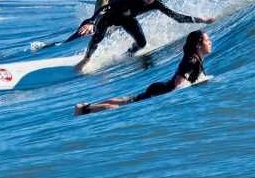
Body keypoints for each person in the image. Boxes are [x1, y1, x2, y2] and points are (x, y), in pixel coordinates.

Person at [74, 0, 214, 72]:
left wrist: (201, 20)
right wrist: (92, 21)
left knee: (142, 43)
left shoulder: (156, 3)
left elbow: (177, 17)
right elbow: (105, 7)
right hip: (108, 17)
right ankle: (87, 58)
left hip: (127, 19)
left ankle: (126, 55)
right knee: (98, 38)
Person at [75, 30, 212, 116]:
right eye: (207, 40)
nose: (210, 42)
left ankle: (85, 107)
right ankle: (84, 110)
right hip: (161, 91)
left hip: (160, 88)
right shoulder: (192, 60)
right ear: (198, 45)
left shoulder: (193, 58)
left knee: (126, 100)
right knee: (118, 107)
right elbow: (178, 84)